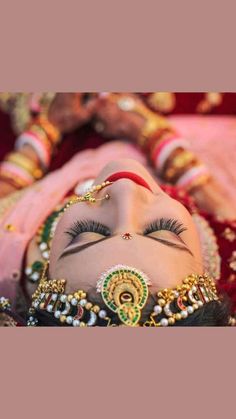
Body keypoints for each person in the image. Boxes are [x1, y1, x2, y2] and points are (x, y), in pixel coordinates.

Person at [0, 93, 235, 327]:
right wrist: (155, 136)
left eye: (87, 232)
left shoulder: (8, 244)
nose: (125, 187)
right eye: (162, 229)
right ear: (206, 272)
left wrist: (45, 130)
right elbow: (221, 205)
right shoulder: (228, 248)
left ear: (47, 276)